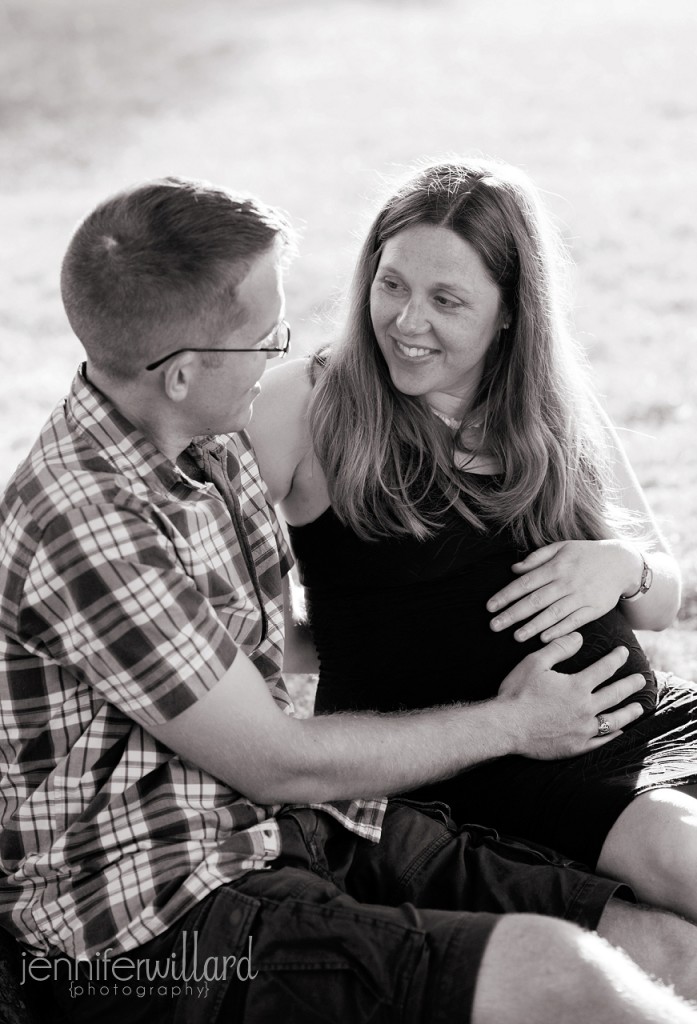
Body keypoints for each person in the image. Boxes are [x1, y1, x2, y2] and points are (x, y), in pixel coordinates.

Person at [2, 178, 697, 1024]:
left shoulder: (193, 452)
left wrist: (618, 568)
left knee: (664, 950)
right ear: (185, 372)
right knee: (563, 967)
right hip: (159, 899)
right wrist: (515, 720)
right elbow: (275, 756)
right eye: (265, 338)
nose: (288, 354)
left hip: (300, 816)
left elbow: (247, 647)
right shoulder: (110, 514)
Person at [249, 157, 697, 928]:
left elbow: (662, 599)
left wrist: (619, 568)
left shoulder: (551, 403)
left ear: (510, 311)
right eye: (391, 285)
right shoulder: (306, 403)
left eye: (445, 300)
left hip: (644, 724)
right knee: (677, 854)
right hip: (487, 762)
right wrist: (363, 644)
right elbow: (200, 615)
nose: (406, 321)